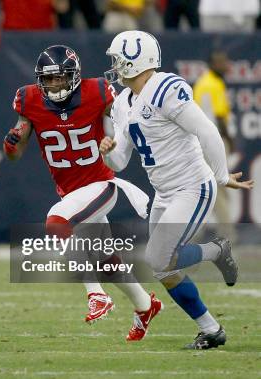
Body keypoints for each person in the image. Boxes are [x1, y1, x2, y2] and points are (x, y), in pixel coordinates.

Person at [101, 30, 253, 349]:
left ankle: (216, 250)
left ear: (134, 60)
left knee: (157, 258)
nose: (114, 66)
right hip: (165, 192)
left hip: (192, 185)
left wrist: (221, 176)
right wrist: (107, 149)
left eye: (118, 59)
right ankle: (211, 330)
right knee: (164, 270)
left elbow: (207, 131)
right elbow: (119, 161)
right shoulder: (122, 103)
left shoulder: (164, 89)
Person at [4, 45, 162, 341]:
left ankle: (96, 294)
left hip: (101, 185)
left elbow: (112, 127)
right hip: (72, 192)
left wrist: (110, 141)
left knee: (56, 222)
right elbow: (16, 147)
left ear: (74, 76)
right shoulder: (29, 100)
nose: (54, 85)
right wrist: (11, 143)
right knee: (106, 260)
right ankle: (145, 305)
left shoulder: (97, 92)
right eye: (48, 79)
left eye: (60, 78)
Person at [193, 49, 236, 242]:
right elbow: (219, 117)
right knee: (217, 186)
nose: (225, 65)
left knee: (216, 186)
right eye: (221, 62)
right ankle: (227, 233)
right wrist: (229, 140)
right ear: (212, 64)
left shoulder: (205, 82)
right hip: (213, 140)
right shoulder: (212, 83)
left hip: (206, 140)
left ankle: (222, 232)